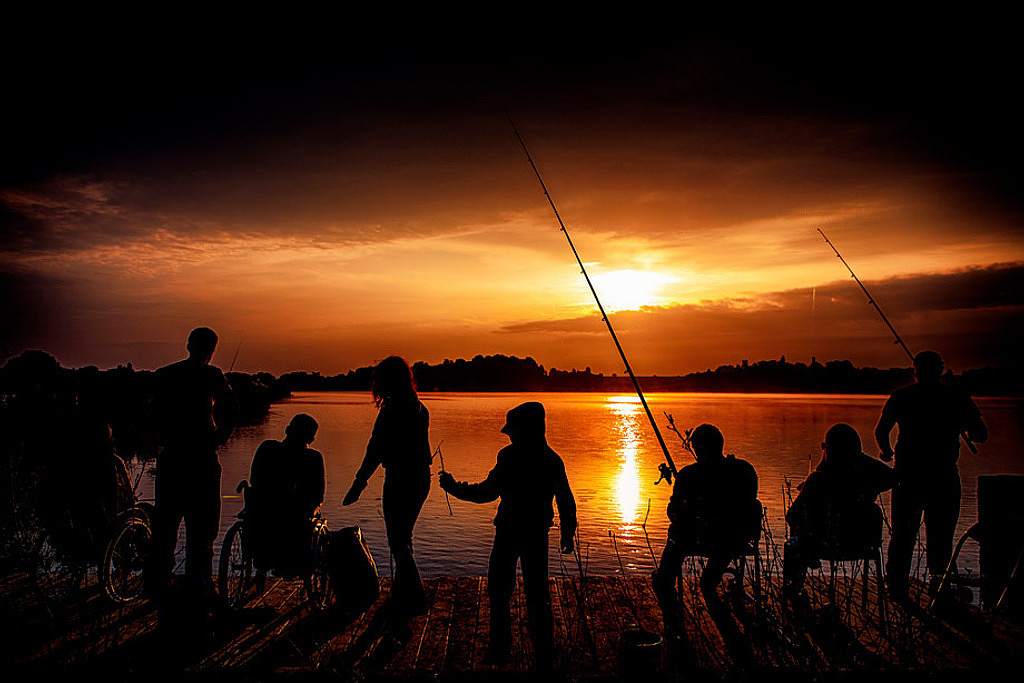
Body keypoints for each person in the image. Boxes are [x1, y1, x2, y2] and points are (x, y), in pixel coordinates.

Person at [438, 401, 576, 671]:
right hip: (536, 532)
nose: (510, 436)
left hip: (511, 532)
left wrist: (454, 487)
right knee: (534, 593)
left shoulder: (510, 458)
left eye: (513, 431)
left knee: (500, 590)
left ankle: (502, 648)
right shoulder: (552, 460)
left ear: (526, 430)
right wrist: (567, 531)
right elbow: (565, 499)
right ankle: (540, 654)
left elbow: (487, 492)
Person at [875, 349, 987, 598]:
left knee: (903, 535)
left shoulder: (901, 396)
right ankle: (940, 587)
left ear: (915, 371)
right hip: (944, 476)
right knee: (942, 537)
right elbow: (981, 434)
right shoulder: (958, 397)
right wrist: (965, 431)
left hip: (907, 476)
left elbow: (881, 431)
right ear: (941, 370)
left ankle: (896, 587)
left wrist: (886, 451)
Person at [342, 356, 431, 623]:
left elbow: (375, 449)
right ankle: (402, 593)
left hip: (400, 478)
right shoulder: (419, 407)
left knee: (398, 541)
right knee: (403, 537)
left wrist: (359, 483)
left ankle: (415, 597)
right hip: (420, 478)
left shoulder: (391, 410)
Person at [148, 327, 234, 599]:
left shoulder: (164, 374)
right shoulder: (213, 375)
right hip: (202, 458)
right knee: (203, 526)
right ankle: (199, 584)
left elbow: (151, 413)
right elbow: (231, 408)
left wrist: (160, 435)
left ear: (188, 345)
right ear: (211, 350)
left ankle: (159, 582)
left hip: (171, 457)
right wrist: (221, 436)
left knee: (165, 525)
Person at [651, 424, 760, 630]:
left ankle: (667, 586)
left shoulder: (689, 475)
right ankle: (708, 584)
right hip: (733, 541)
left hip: (698, 540)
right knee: (708, 578)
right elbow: (750, 506)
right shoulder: (744, 470)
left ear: (698, 448)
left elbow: (674, 512)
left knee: (676, 541)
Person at [783, 423, 897, 604]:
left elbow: (791, 516)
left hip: (824, 545)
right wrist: (860, 459)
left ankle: (793, 590)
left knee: (793, 539)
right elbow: (892, 477)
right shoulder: (867, 478)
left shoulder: (817, 480)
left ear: (826, 448)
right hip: (861, 546)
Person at [247, 413, 325, 575]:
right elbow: (318, 494)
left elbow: (254, 479)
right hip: (293, 514)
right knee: (308, 516)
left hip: (263, 509)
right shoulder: (313, 458)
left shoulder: (267, 448)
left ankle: (266, 558)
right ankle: (293, 561)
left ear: (287, 430)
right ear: (310, 438)